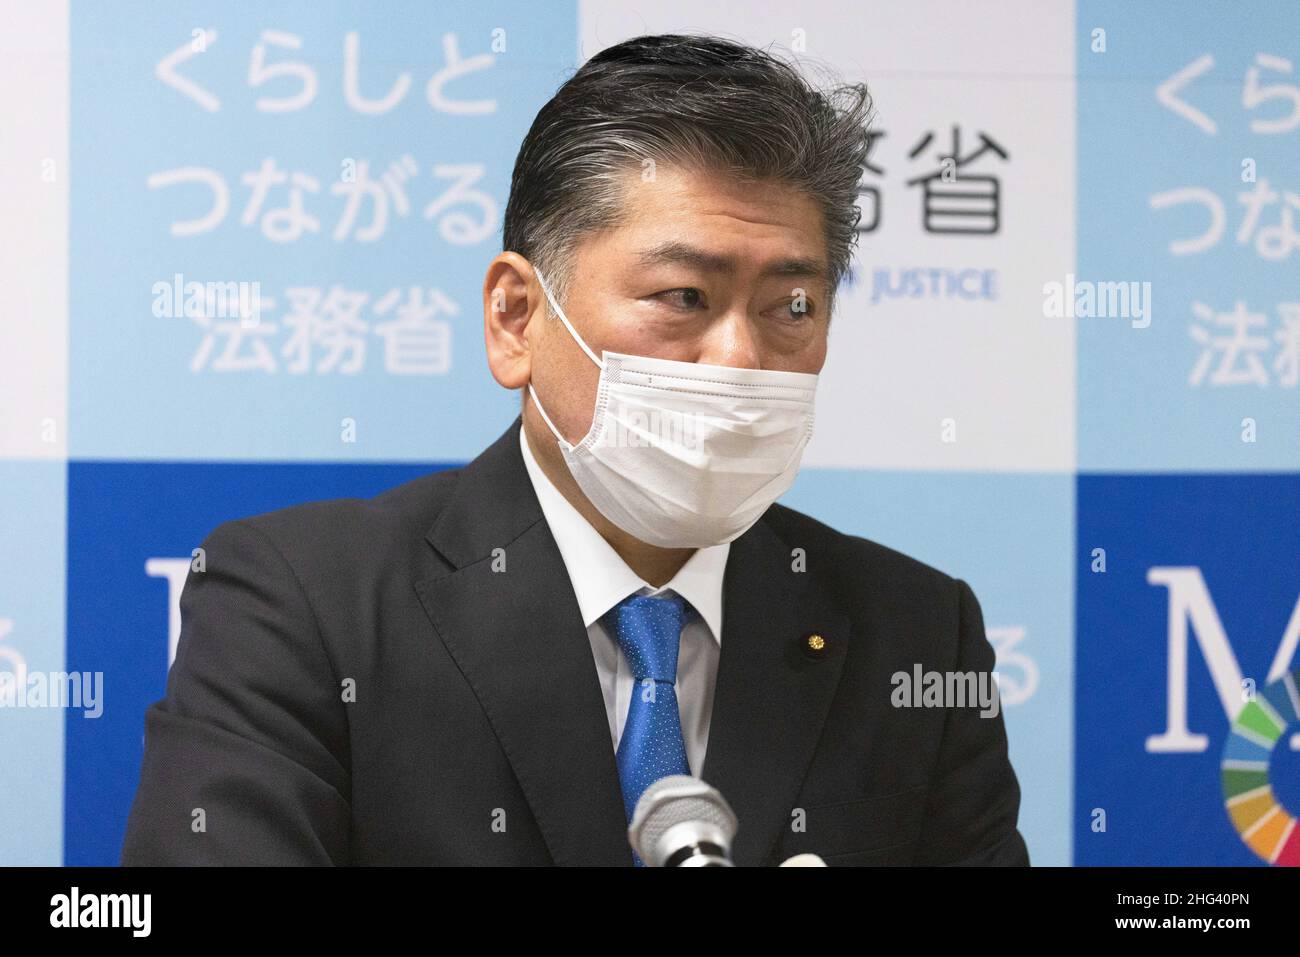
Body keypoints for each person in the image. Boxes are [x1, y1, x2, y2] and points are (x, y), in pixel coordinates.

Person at [121, 33, 1029, 866]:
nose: (741, 357)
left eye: (792, 306)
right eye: (683, 296)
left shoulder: (914, 631)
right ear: (517, 318)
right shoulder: (306, 606)